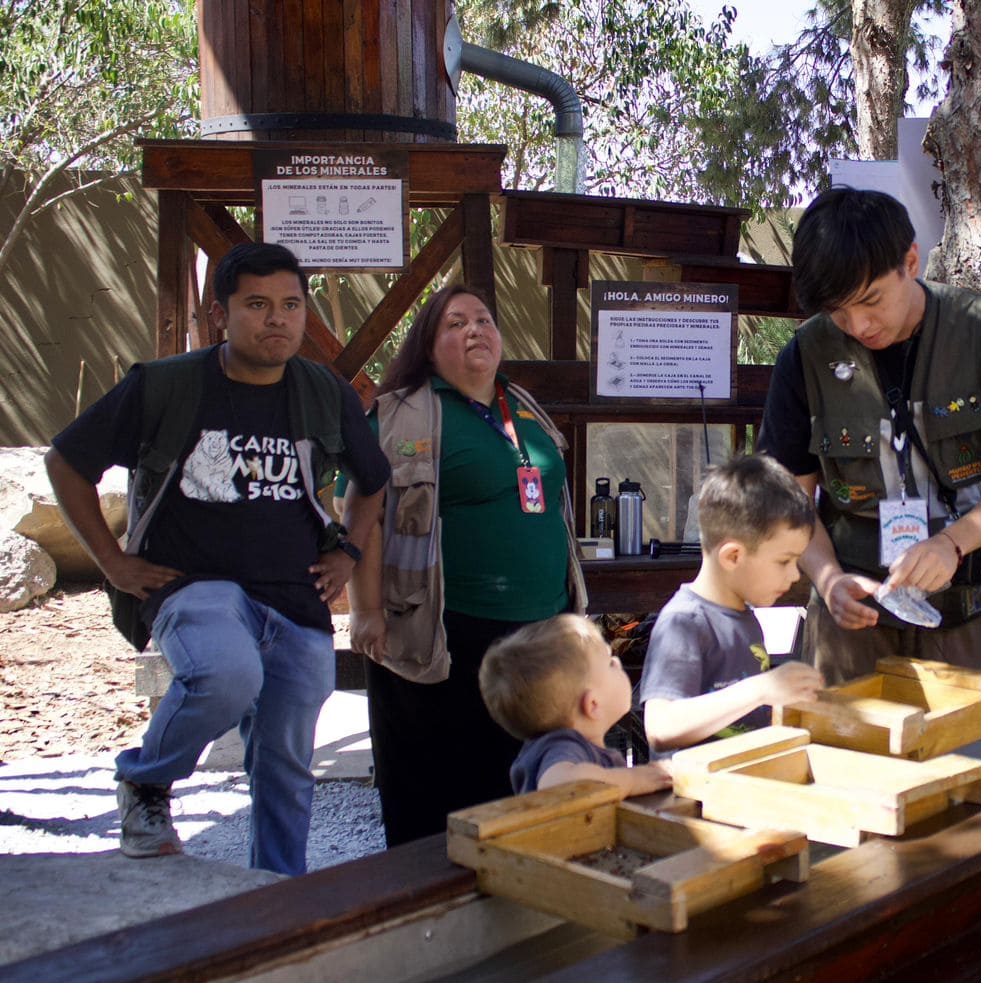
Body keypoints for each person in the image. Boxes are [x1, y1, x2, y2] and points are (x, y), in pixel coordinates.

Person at [44, 242, 390, 876]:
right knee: (227, 675)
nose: (277, 320)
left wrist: (348, 549)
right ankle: (146, 783)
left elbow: (373, 479)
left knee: (287, 764)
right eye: (257, 304)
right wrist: (112, 562)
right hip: (194, 585)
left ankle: (277, 899)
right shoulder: (165, 385)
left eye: (290, 304)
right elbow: (66, 462)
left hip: (295, 596)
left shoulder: (323, 393)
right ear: (219, 313)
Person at [757, 187, 981, 683]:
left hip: (965, 614)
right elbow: (792, 503)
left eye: (871, 300)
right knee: (847, 759)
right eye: (838, 312)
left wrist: (951, 545)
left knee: (964, 756)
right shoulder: (805, 356)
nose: (859, 325)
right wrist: (827, 580)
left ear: (910, 261)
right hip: (852, 624)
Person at [343, 284, 587, 846]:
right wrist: (366, 608)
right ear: (428, 348)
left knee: (522, 785)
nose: (475, 329)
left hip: (540, 628)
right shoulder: (401, 413)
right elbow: (363, 515)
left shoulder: (520, 404)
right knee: (440, 792)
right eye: (455, 323)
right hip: (447, 632)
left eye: (483, 320)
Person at [639, 454, 825, 751]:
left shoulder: (747, 617)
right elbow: (661, 727)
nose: (794, 575)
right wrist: (761, 689)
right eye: (784, 561)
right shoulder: (684, 622)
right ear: (733, 557)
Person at [479, 615, 672, 796]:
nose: (617, 662)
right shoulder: (562, 747)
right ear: (593, 704)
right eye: (610, 664)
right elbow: (558, 785)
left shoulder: (576, 747)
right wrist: (632, 779)